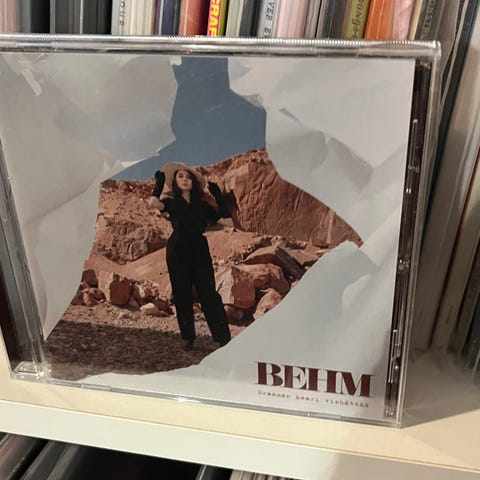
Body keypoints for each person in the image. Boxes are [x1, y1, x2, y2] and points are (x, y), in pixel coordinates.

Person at [148, 162, 231, 350]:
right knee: (181, 293)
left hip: (199, 248)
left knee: (208, 293)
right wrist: (159, 184)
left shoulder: (202, 205)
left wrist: (219, 198)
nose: (185, 180)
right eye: (180, 176)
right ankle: (188, 338)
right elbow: (152, 203)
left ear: (193, 182)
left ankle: (223, 338)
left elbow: (228, 223)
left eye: (188, 177)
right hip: (177, 249)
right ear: (175, 182)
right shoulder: (171, 202)